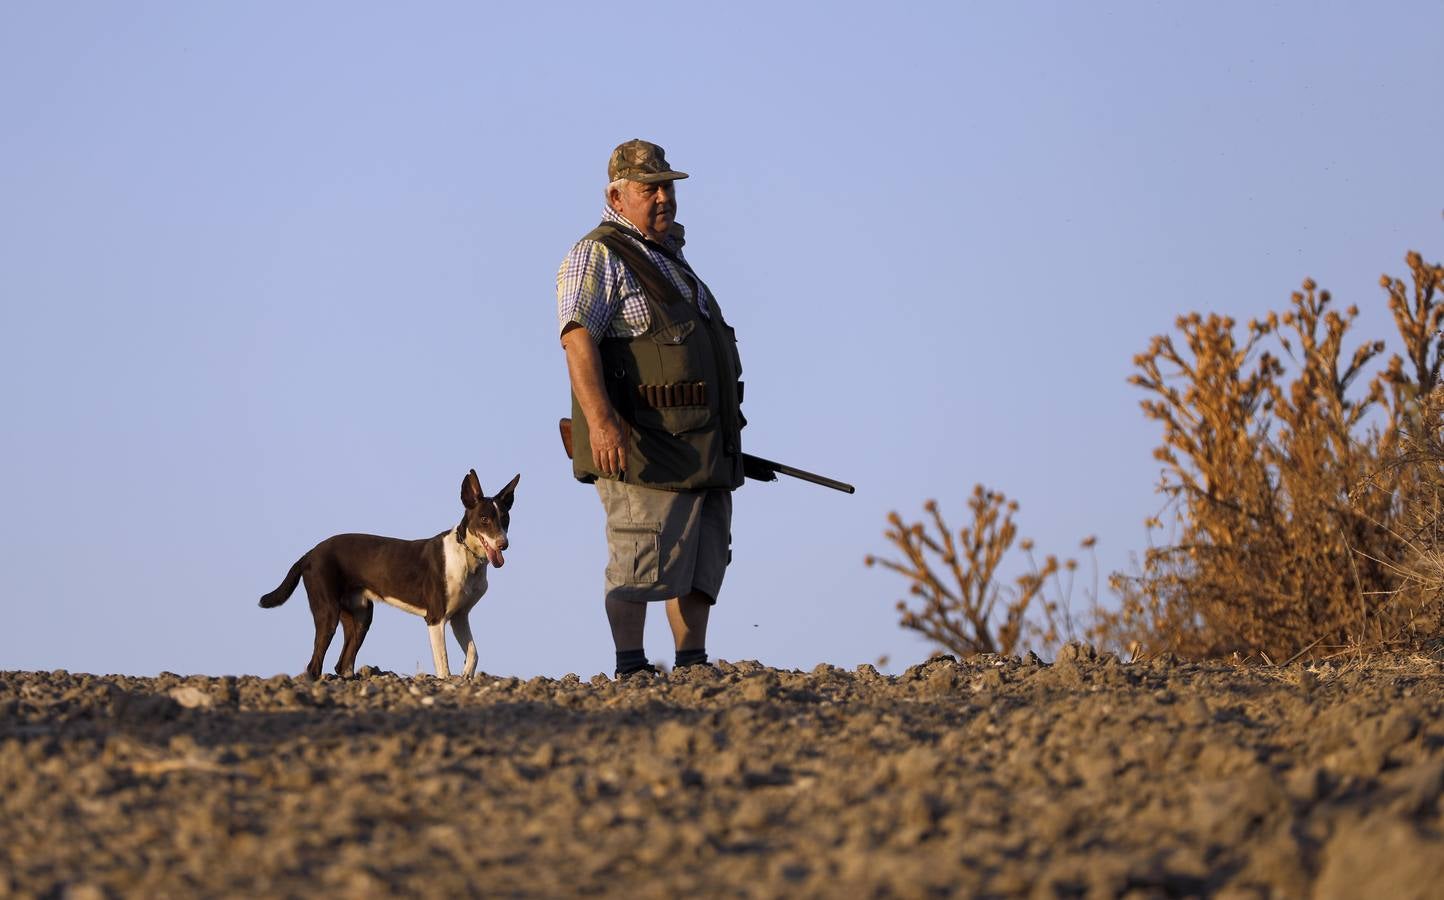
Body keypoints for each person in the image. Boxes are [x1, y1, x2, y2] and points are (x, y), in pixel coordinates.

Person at [556, 139, 746, 678]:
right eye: (650, 188)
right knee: (638, 560)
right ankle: (631, 668)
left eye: (668, 186)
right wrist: (603, 425)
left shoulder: (674, 263)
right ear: (617, 195)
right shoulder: (597, 254)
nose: (663, 197)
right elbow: (576, 339)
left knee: (699, 563)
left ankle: (692, 666)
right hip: (642, 447)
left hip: (700, 449)